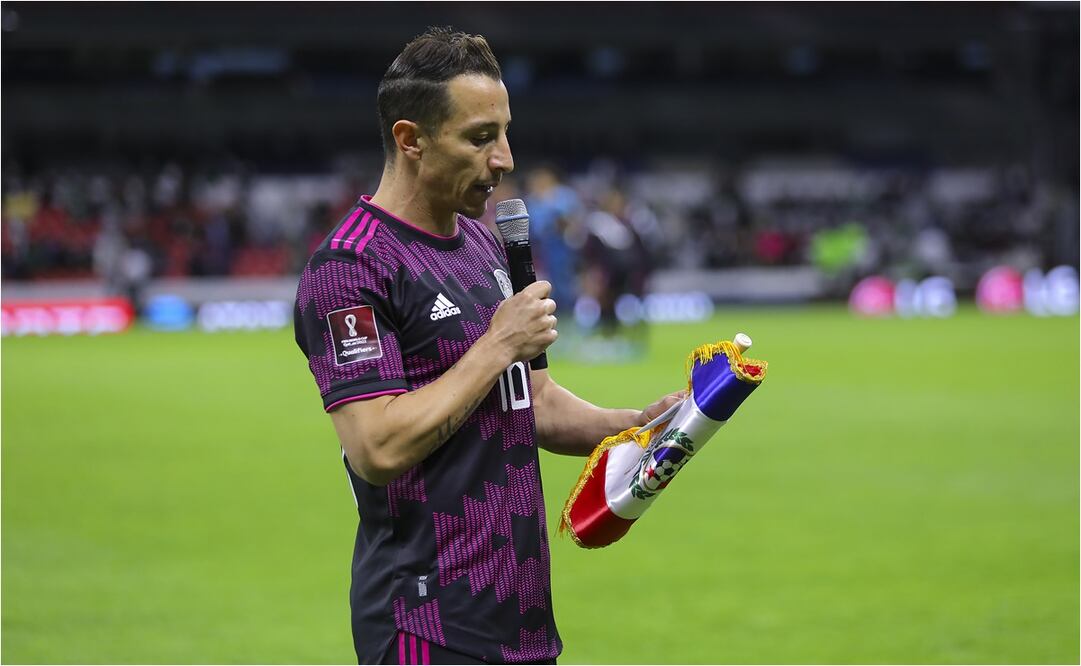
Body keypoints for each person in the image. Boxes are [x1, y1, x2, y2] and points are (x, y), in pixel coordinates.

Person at [293, 27, 682, 665]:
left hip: (521, 620)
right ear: (411, 140)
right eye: (480, 138)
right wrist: (498, 343)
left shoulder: (482, 244)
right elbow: (376, 446)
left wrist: (636, 427)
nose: (504, 158)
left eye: (504, 133)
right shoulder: (351, 266)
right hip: (424, 624)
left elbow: (534, 402)